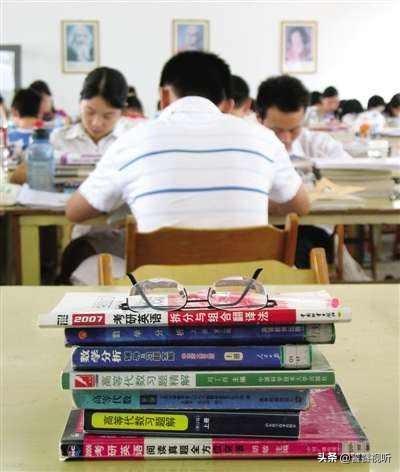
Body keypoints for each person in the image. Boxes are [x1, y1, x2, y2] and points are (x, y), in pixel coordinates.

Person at [65, 51, 310, 284]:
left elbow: (75, 212)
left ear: (164, 96)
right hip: (245, 293)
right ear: (227, 104)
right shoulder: (264, 138)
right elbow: (301, 206)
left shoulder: (131, 141)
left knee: (86, 255)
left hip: (159, 297)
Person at [255, 75, 351, 269]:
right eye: (277, 130)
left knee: (297, 253)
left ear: (304, 117)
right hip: (259, 227)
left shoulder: (321, 145)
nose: (286, 138)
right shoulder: (246, 146)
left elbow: (351, 178)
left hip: (310, 227)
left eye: (293, 129)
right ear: (259, 117)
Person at [51, 67, 137, 155]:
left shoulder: (132, 141)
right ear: (80, 103)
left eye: (107, 116)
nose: (96, 123)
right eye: (90, 112)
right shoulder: (59, 139)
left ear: (122, 112)